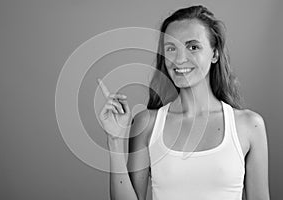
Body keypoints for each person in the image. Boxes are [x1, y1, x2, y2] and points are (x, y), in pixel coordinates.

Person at [98, 5, 270, 200]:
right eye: (171, 48)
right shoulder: (147, 124)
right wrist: (114, 140)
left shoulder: (249, 125)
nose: (179, 59)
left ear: (215, 54)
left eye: (193, 47)